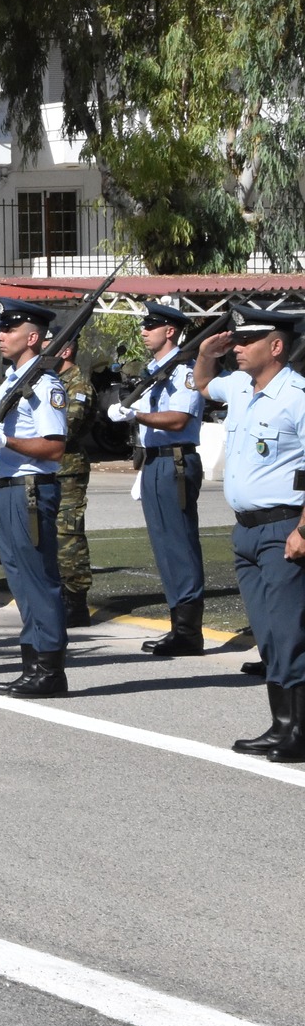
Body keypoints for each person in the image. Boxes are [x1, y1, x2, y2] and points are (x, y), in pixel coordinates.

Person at [194, 308, 305, 760]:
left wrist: (303, 529)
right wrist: (204, 353)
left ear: (275, 346)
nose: (236, 347)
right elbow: (203, 384)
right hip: (246, 531)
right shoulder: (239, 386)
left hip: (285, 528)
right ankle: (281, 724)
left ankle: (296, 730)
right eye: (234, 340)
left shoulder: (297, 396)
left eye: (247, 340)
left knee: (290, 631)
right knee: (267, 632)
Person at [0, 299, 70, 697]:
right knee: (20, 581)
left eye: (9, 330)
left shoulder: (45, 384)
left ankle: (49, 670)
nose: (0, 335)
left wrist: (6, 440)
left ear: (33, 337)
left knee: (38, 580)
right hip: (7, 487)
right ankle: (32, 665)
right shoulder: (12, 381)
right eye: (0, 329)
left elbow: (54, 446)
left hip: (29, 490)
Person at [109, 303, 209, 656]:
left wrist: (136, 414)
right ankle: (178, 626)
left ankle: (188, 632)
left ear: (170, 331)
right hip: (155, 462)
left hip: (175, 462)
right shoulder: (154, 371)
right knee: (164, 546)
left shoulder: (183, 371)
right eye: (144, 324)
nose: (143, 330)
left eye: (152, 325)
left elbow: (179, 418)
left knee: (179, 544)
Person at [52, 338, 95, 626]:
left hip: (67, 468)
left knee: (68, 535)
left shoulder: (78, 385)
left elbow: (67, 426)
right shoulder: (50, 381)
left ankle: (75, 599)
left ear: (65, 351)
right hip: (45, 468)